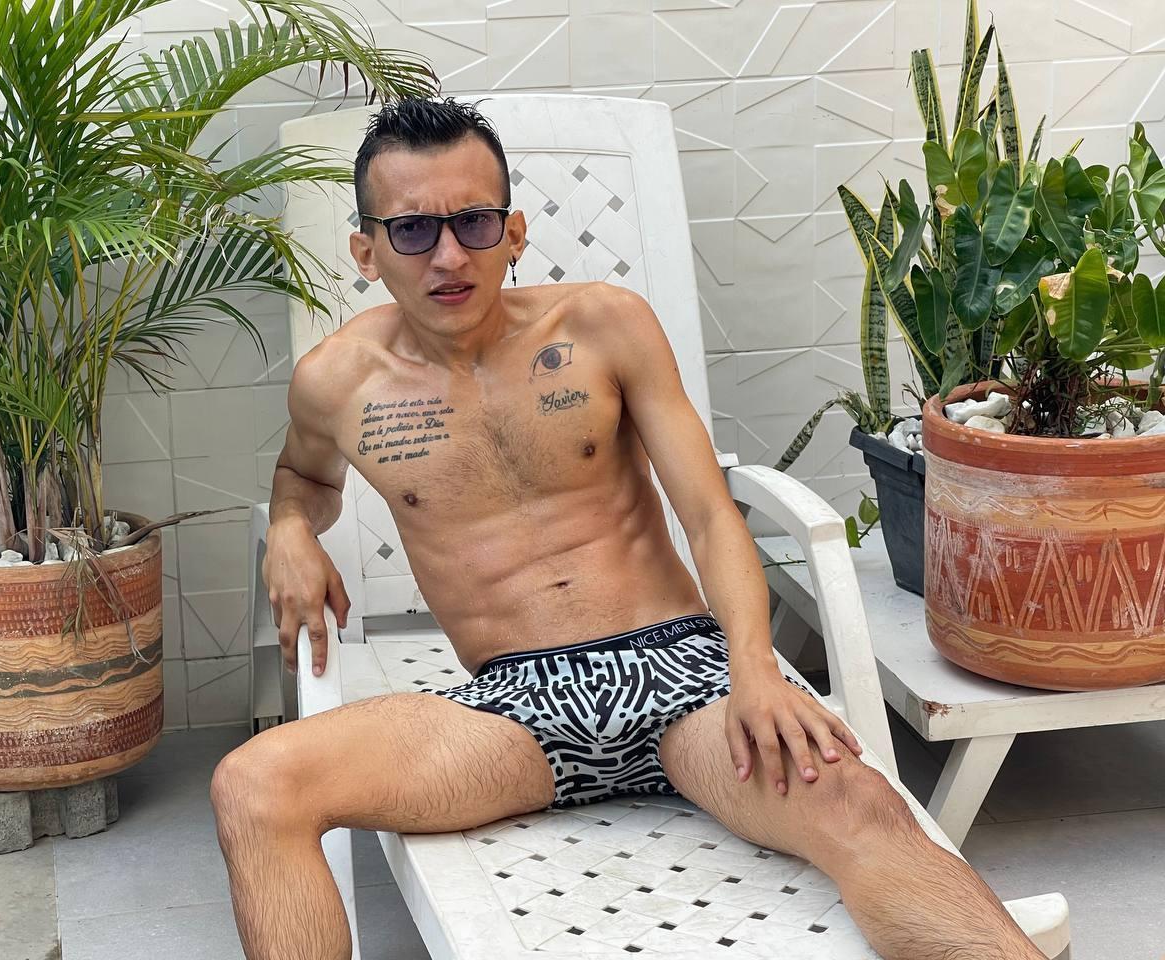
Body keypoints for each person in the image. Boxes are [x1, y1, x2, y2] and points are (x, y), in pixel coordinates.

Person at [210, 96, 1045, 960]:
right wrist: (292, 529)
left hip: (683, 675)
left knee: (860, 806)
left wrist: (755, 667)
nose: (449, 255)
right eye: (413, 230)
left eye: (474, 222)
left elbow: (709, 513)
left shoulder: (603, 325)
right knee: (254, 786)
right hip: (509, 709)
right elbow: (304, 478)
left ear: (514, 233)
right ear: (367, 250)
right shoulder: (337, 382)